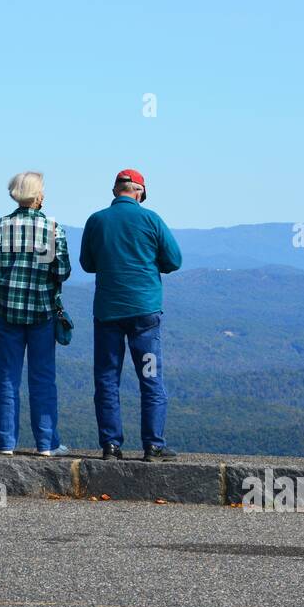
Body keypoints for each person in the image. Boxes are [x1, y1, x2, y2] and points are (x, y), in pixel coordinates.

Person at [78, 168, 183, 461]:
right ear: (140, 192)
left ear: (115, 191)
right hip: (145, 313)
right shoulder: (151, 219)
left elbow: (87, 263)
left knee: (108, 378)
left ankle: (111, 445)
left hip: (108, 312)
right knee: (150, 377)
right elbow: (174, 260)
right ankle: (153, 446)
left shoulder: (96, 220)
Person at [0, 171, 72, 456]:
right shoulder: (52, 228)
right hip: (42, 312)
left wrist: (2, 291)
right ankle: (47, 444)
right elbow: (62, 271)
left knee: (7, 376)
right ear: (37, 195)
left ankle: (6, 443)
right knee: (43, 377)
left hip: (6, 312)